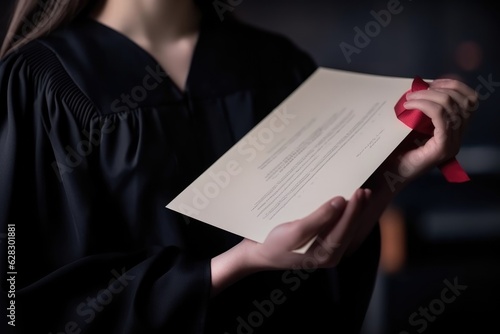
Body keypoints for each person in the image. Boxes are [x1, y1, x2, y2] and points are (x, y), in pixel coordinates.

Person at [0, 0, 478, 333]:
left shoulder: (277, 65)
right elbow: (20, 298)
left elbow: (327, 262)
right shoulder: (39, 83)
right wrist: (239, 262)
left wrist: (393, 174)